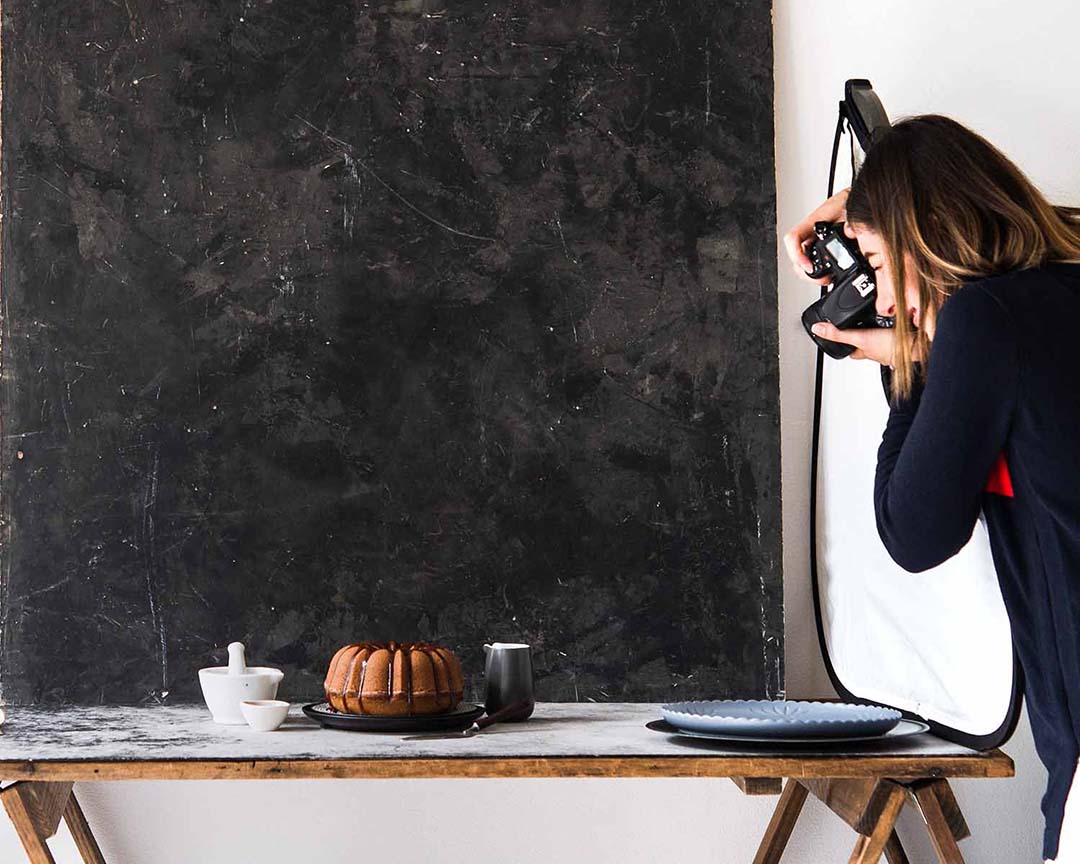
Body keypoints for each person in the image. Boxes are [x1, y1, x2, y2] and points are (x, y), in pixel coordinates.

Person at [783, 114, 1080, 863]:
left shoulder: (987, 320)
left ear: (927, 232)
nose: (882, 301)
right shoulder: (1055, 293)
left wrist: (912, 362)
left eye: (879, 264)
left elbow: (913, 533)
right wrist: (867, 206)